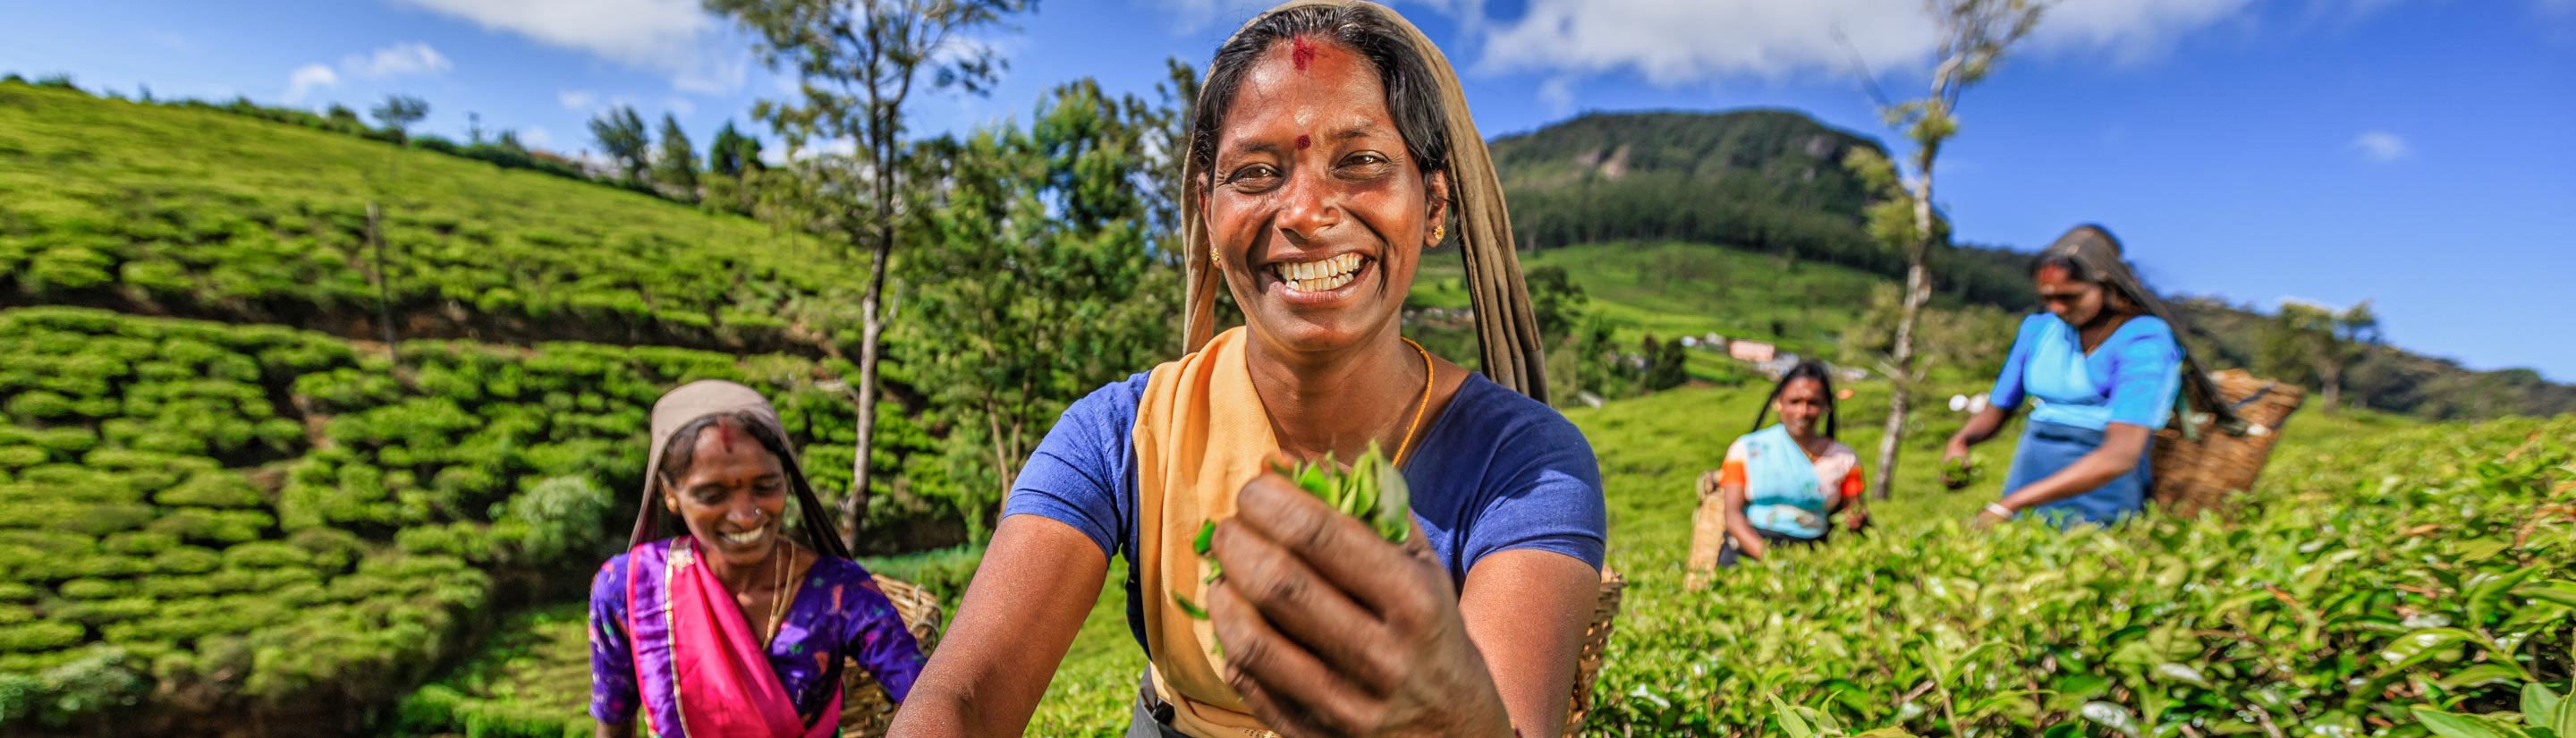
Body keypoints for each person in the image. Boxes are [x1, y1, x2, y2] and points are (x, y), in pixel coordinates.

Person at [887, 3, 1608, 737]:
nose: (1304, 210)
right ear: (1208, 209)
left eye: (1360, 161)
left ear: (1434, 202)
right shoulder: (1121, 435)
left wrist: (1449, 718)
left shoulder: (1527, 465)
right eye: (1256, 172)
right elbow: (964, 697)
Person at [589, 380, 926, 738]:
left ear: (787, 479)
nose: (745, 515)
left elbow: (927, 696)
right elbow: (613, 724)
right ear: (669, 494)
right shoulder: (629, 588)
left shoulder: (838, 592)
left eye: (765, 487)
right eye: (712, 494)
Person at [1942, 225, 2234, 529]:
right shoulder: (2038, 329)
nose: (2057, 308)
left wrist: (2009, 505)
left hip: (2101, 491)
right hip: (2029, 477)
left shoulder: (2143, 338)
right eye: (2048, 298)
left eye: (2070, 297)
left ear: (2106, 287)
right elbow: (1998, 409)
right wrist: (1960, 442)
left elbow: (2120, 456)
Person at [1707, 361, 1865, 566]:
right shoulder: (1747, 449)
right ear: (1778, 403)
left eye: (1813, 403)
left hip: (1812, 557)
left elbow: (1853, 509)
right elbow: (1733, 515)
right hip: (1749, 552)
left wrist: (1855, 519)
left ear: (1827, 406)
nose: (1803, 411)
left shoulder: (1844, 459)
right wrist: (1772, 560)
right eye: (1794, 401)